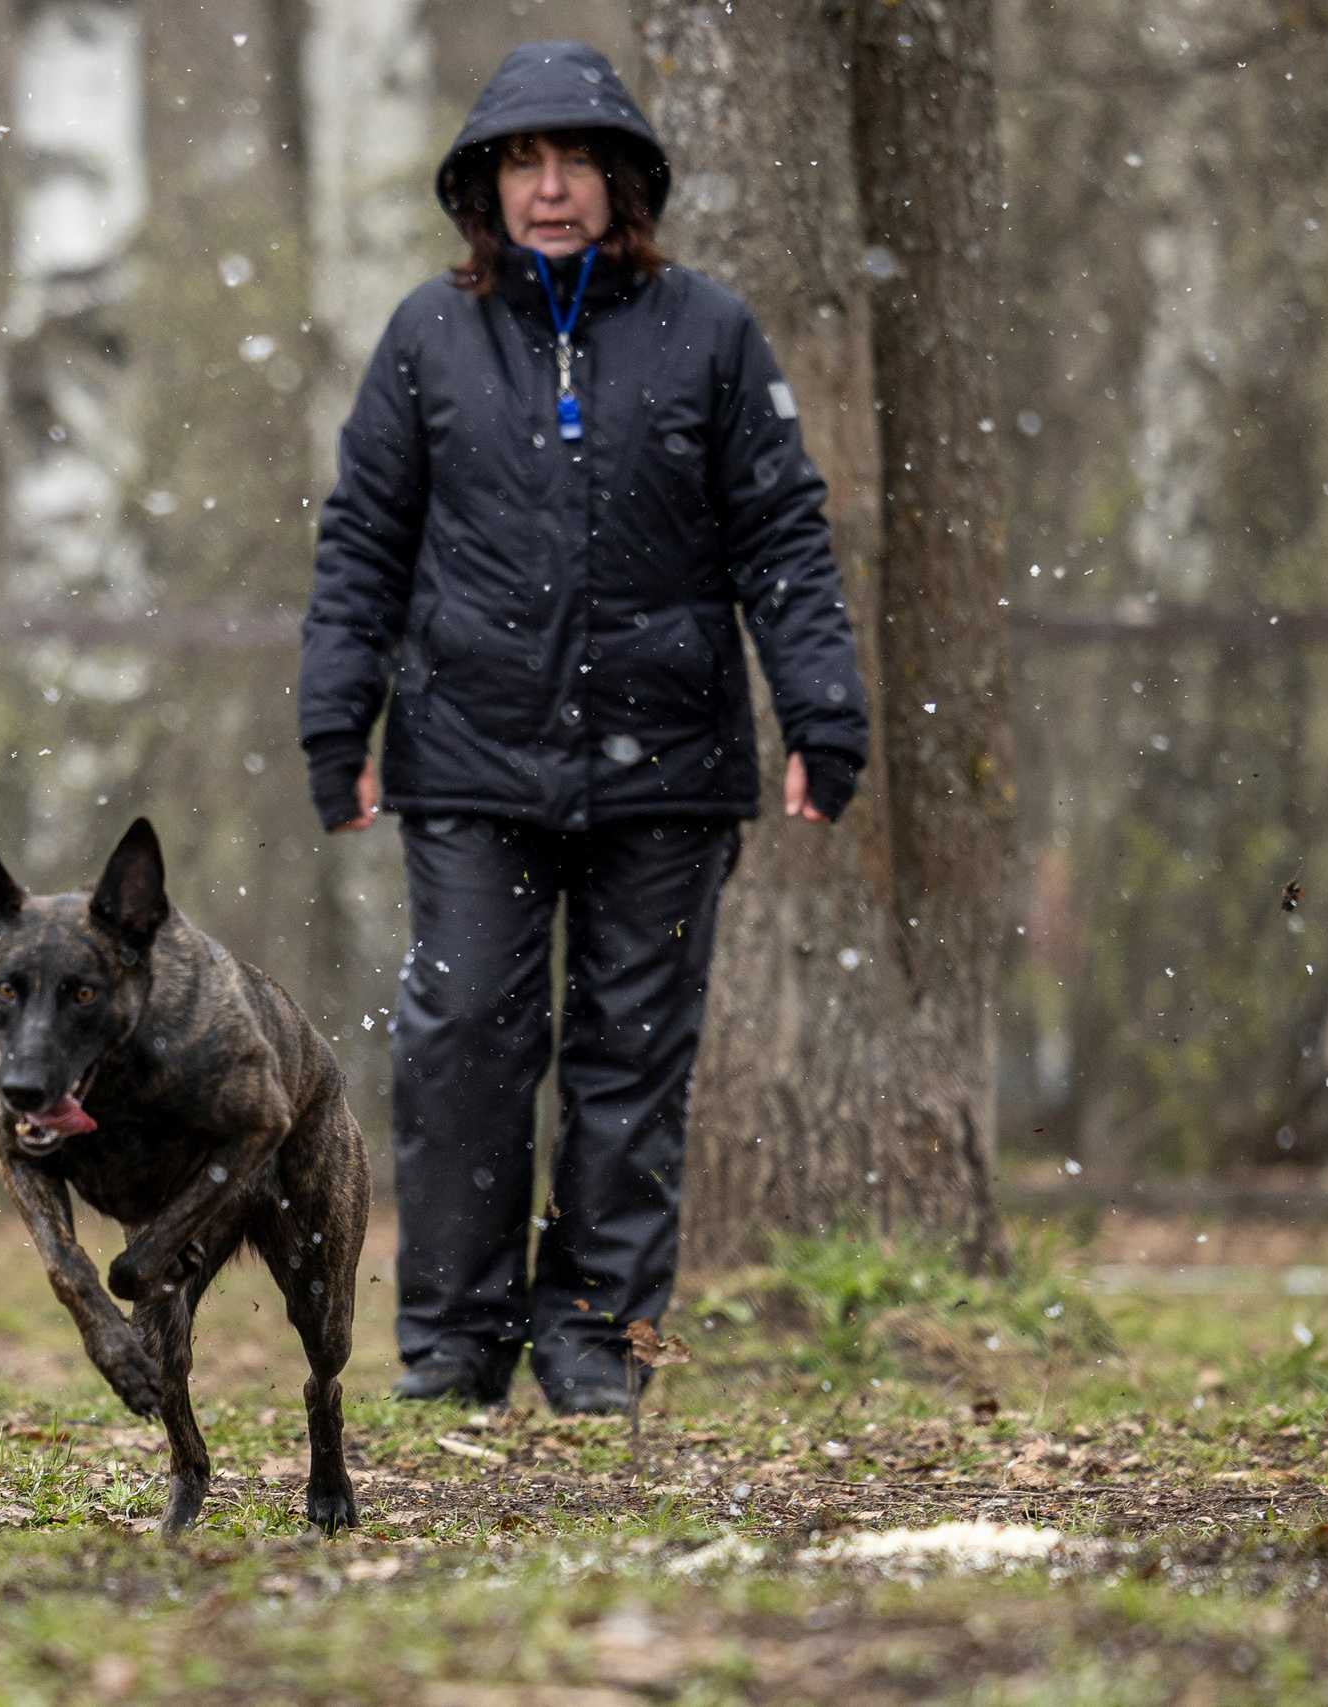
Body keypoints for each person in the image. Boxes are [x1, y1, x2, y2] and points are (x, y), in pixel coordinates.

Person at [297, 40, 870, 1412]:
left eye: (576, 164)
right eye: (522, 164)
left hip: (671, 769)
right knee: (465, 1047)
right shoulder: (428, 338)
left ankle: (596, 1340)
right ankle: (451, 1344)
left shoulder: (713, 334)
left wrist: (822, 712)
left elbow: (782, 538)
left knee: (631, 1057)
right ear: (483, 189)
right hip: (470, 762)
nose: (550, 191)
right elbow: (364, 542)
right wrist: (338, 722)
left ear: (623, 185)